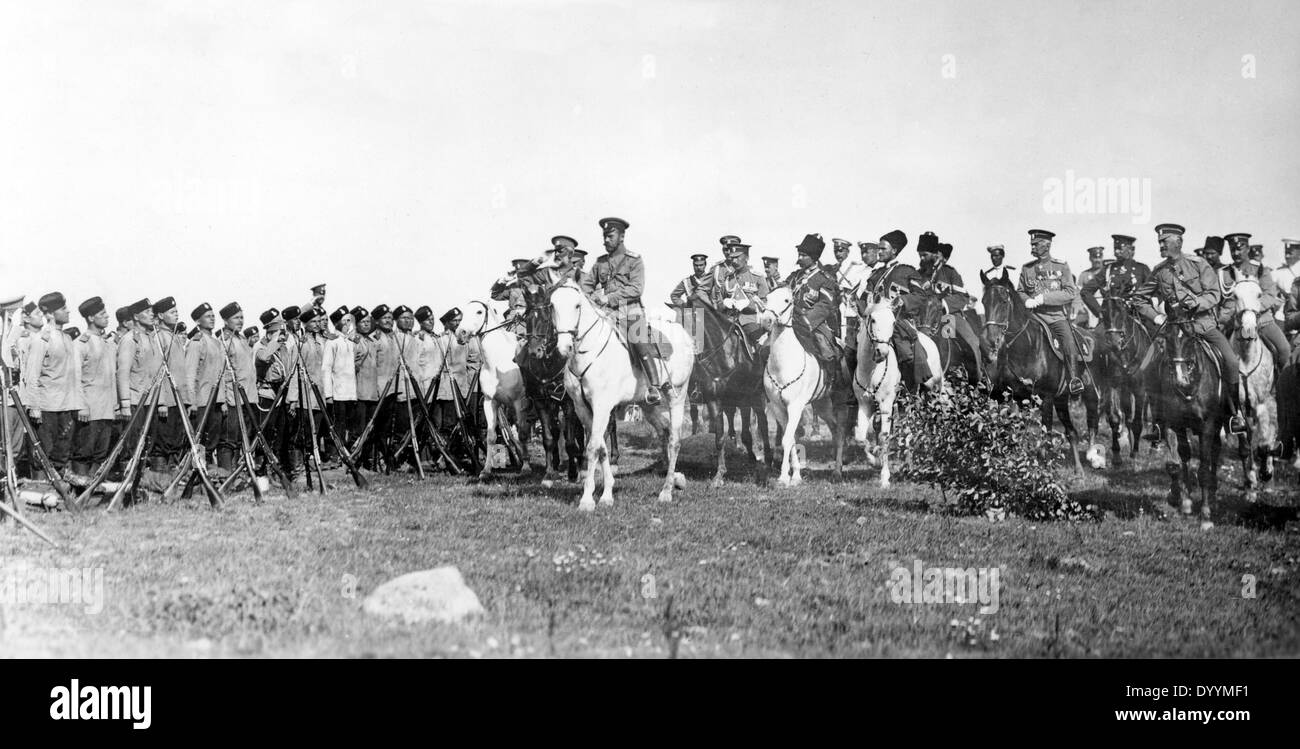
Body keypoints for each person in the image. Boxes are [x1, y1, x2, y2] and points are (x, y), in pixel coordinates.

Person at [1128, 223, 1245, 433]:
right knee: (1147, 365)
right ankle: (1157, 422)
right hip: (1172, 330)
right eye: (1160, 242)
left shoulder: (1198, 264)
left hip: (1203, 327)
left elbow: (1214, 294)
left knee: (1231, 361)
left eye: (1165, 241)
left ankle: (1234, 415)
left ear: (1178, 242)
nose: (1161, 245)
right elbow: (1139, 299)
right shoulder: (1160, 271)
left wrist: (1197, 303)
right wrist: (1156, 318)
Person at [581, 216, 667, 404]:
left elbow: (636, 288)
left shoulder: (634, 260)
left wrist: (608, 297)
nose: (606, 240)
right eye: (604, 236)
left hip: (630, 312)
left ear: (621, 236)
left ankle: (654, 387)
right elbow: (586, 285)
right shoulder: (600, 263)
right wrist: (592, 297)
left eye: (610, 236)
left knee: (639, 340)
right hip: (607, 314)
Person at [24, 292, 83, 476]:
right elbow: (32, 375)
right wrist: (34, 406)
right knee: (43, 456)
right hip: (46, 406)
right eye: (63, 308)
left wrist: (78, 404)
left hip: (65, 406)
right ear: (49, 313)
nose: (68, 311)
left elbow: (73, 375)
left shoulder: (66, 338)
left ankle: (59, 493)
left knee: (61, 453)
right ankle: (40, 495)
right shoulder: (42, 339)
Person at [1019, 229, 1084, 395]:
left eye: (1035, 244)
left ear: (1046, 245)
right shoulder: (1027, 268)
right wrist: (1026, 300)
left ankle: (1074, 379)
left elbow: (1070, 292)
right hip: (1033, 318)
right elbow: (1020, 290)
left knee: (1069, 342)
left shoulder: (1060, 266)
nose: (1032, 247)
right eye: (1031, 244)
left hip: (1055, 318)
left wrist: (1043, 299)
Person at [1218, 233, 1290, 370]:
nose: (1236, 253)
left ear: (1247, 248)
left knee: (1284, 350)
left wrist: (1250, 309)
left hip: (1261, 321)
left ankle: (1281, 387)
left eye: (1240, 248)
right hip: (1231, 323)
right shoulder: (1224, 273)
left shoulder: (1260, 269)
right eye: (1233, 250)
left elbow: (1270, 295)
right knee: (1215, 354)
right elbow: (1219, 299)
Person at [782, 233, 841, 379]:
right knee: (764, 348)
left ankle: (832, 384)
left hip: (812, 323)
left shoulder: (825, 279)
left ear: (813, 257)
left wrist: (806, 321)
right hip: (789, 320)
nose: (799, 258)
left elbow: (825, 305)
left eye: (803, 255)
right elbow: (782, 290)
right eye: (799, 254)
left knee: (827, 351)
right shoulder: (794, 276)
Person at [71, 296, 115, 482]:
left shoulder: (108, 343)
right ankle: (81, 488)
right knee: (84, 452)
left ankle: (96, 487)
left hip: (107, 408)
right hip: (89, 408)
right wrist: (81, 405)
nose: (106, 317)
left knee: (101, 452)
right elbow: (75, 377)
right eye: (101, 314)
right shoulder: (81, 344)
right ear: (90, 318)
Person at [323, 305, 359, 460]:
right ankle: (334, 454)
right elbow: (326, 368)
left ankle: (346, 452)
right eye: (344, 322)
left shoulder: (349, 342)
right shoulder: (332, 342)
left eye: (349, 321)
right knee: (337, 425)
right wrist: (328, 394)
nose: (347, 324)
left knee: (349, 425)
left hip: (350, 392)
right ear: (337, 323)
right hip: (338, 392)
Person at [1075, 246, 1106, 328]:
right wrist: (1079, 305)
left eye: (1099, 257)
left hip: (1104, 301)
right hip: (1088, 302)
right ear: (1090, 258)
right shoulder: (1084, 274)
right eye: (1095, 257)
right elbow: (1078, 292)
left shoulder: (1107, 272)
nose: (1097, 260)